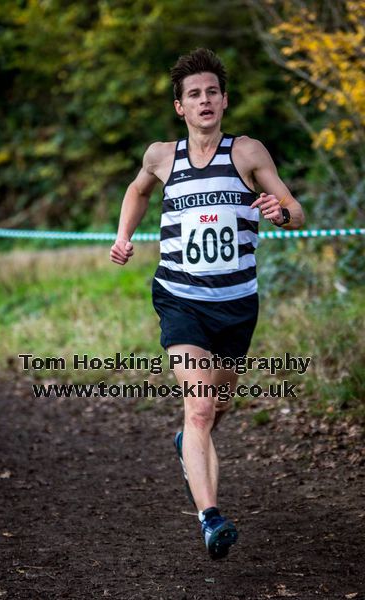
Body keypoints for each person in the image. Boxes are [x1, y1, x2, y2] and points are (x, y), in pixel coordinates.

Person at [110, 48, 305, 560]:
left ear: (224, 100)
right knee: (198, 408)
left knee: (217, 407)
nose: (204, 101)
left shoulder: (247, 153)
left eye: (212, 92)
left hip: (238, 303)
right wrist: (123, 236)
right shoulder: (161, 156)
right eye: (194, 94)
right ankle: (211, 517)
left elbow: (295, 208)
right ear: (180, 106)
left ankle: (188, 443)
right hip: (181, 298)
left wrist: (278, 213)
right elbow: (137, 190)